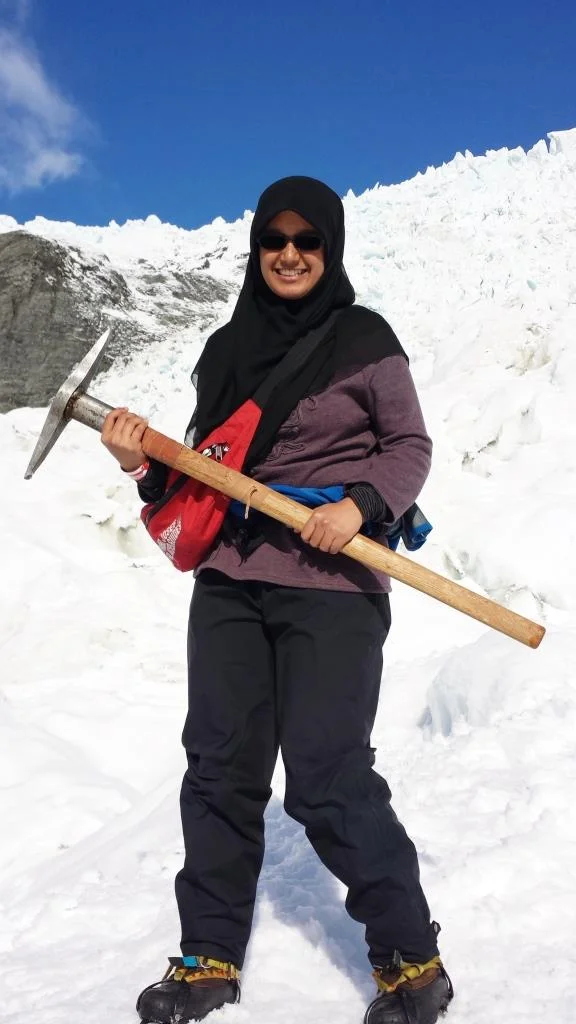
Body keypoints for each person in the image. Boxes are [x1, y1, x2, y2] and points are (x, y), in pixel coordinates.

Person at [101, 176, 453, 1024]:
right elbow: (203, 467)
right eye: (274, 240)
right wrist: (141, 463)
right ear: (257, 250)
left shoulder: (364, 339)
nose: (290, 254)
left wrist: (359, 507)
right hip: (232, 577)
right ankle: (209, 955)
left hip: (333, 582)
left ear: (328, 249)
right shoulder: (225, 351)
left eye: (307, 240)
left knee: (329, 774)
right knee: (219, 768)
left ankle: (412, 959)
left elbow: (409, 444)